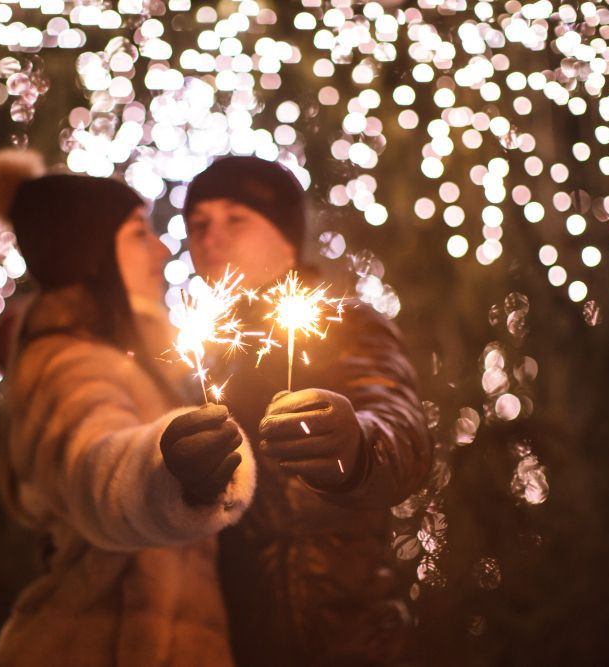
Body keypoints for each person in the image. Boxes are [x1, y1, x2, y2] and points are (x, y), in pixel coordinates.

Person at [0, 150, 257, 667]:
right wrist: (169, 469)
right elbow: (96, 463)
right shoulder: (66, 362)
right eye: (137, 233)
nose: (161, 250)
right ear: (91, 254)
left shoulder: (138, 364)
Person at [184, 156, 433, 666]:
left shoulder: (346, 326)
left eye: (236, 218)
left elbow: (402, 432)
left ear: (285, 235)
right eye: (198, 224)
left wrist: (357, 446)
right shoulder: (201, 361)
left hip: (337, 637)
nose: (211, 237)